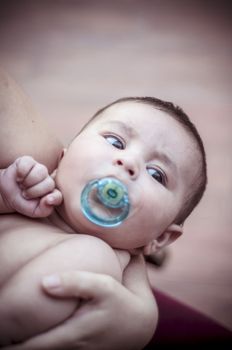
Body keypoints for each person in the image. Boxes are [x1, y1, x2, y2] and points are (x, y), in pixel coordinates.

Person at [0, 71, 207, 348]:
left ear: (160, 238)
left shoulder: (97, 260)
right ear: (63, 156)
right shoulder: (20, 186)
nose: (128, 161)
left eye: (157, 174)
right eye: (115, 142)